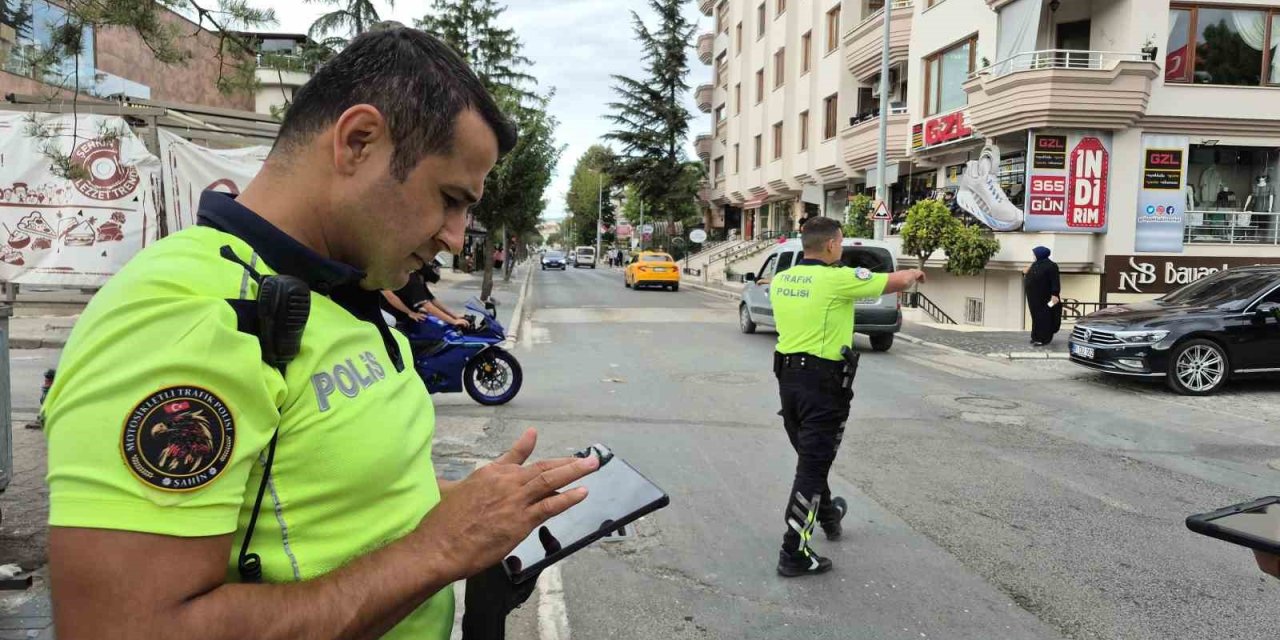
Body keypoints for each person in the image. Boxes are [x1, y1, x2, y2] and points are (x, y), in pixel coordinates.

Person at [41, 26, 599, 640]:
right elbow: (126, 630)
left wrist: (475, 505)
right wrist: (442, 548)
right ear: (359, 142)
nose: (454, 234)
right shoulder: (184, 313)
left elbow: (332, 499)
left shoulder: (342, 292)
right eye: (449, 198)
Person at [768, 216, 925, 577]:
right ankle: (793, 551)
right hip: (823, 384)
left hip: (787, 380)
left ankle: (827, 516)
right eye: (840, 242)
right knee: (812, 465)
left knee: (811, 456)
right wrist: (915, 273)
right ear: (831, 245)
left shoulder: (783, 279)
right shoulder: (836, 279)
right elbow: (892, 281)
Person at [381, 263, 470, 332]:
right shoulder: (412, 279)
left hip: (401, 313)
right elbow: (428, 306)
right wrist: (453, 321)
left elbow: (432, 300)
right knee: (391, 322)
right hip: (386, 312)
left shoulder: (418, 278)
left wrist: (455, 317)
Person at [1024, 245, 1061, 346]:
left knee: (1045, 316)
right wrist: (1026, 272)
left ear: (1040, 254)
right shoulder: (1035, 264)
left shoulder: (1051, 266)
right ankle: (1035, 336)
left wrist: (1055, 294)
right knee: (1035, 317)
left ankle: (1044, 338)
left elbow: (1055, 281)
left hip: (1046, 298)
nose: (1033, 256)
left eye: (1034, 254)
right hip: (1034, 298)